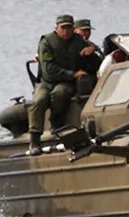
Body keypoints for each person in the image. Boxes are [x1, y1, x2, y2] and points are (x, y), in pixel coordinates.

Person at [27, 15, 90, 155]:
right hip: (47, 81)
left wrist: (90, 51)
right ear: (56, 28)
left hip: (65, 83)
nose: (66, 31)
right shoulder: (47, 42)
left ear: (73, 28)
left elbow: (93, 61)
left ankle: (56, 120)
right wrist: (72, 74)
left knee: (60, 93)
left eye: (69, 28)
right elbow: (48, 70)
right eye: (63, 28)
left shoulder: (79, 41)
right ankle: (35, 140)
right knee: (39, 100)